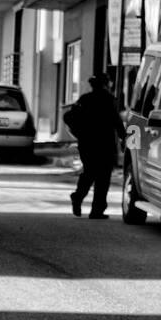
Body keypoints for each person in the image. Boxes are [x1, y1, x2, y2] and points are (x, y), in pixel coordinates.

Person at [65, 73, 126, 219]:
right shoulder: (108, 100)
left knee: (89, 172)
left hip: (86, 143)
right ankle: (96, 210)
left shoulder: (84, 99)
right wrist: (124, 138)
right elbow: (116, 121)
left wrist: (78, 134)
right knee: (103, 176)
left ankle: (78, 196)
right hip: (104, 143)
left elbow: (68, 117)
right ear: (106, 84)